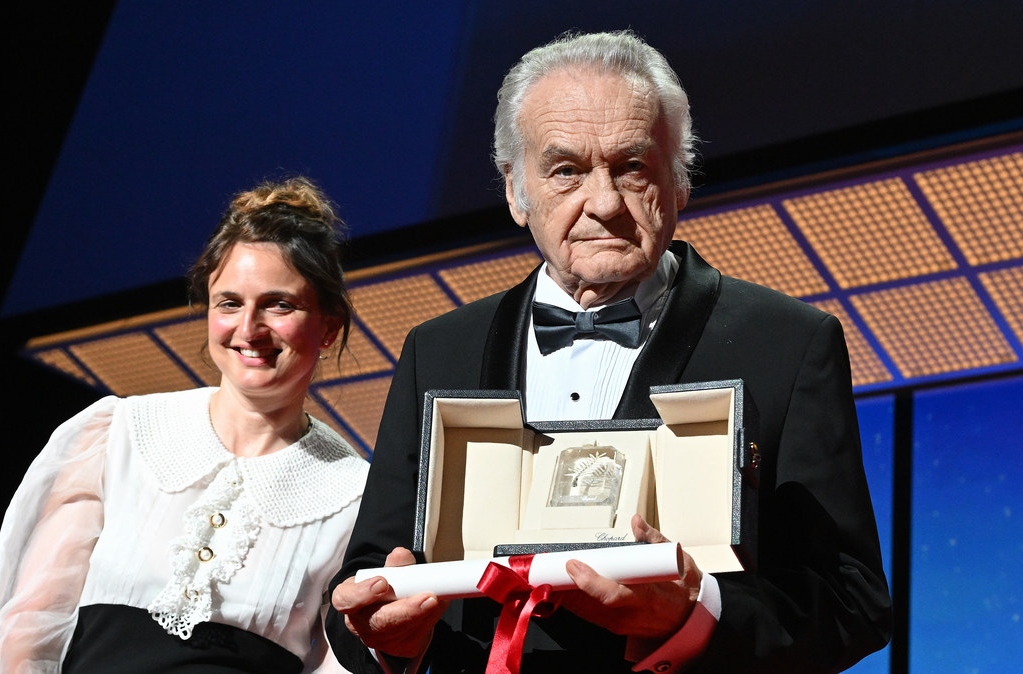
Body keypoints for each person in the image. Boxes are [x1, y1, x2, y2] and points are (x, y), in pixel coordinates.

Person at [327, 31, 892, 673]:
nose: (603, 203)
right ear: (516, 191)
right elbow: (365, 586)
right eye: (566, 170)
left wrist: (695, 614)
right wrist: (384, 634)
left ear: (678, 182)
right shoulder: (438, 350)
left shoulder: (787, 343)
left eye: (631, 168)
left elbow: (854, 601)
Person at [0, 177, 369, 673]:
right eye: (229, 303)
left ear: (328, 326)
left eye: (278, 304)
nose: (248, 329)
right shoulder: (118, 434)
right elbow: (28, 628)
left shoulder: (354, 494)